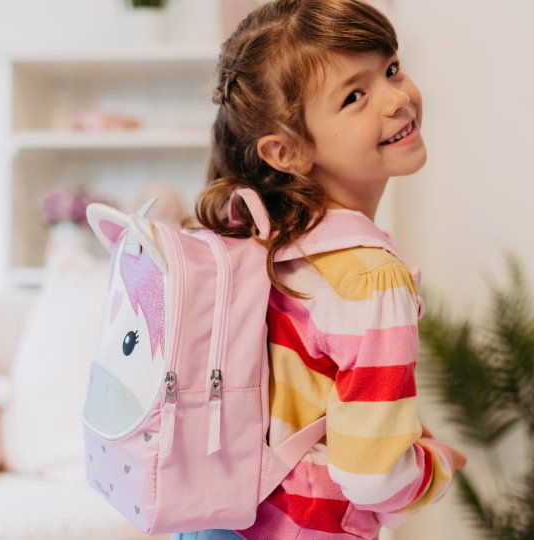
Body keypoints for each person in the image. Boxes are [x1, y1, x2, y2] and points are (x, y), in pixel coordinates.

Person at [174, 1, 467, 539]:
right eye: (354, 96)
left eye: (391, 68)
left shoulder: (260, 239)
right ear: (286, 150)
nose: (397, 98)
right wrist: (435, 467)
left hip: (211, 521)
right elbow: (371, 475)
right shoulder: (369, 278)